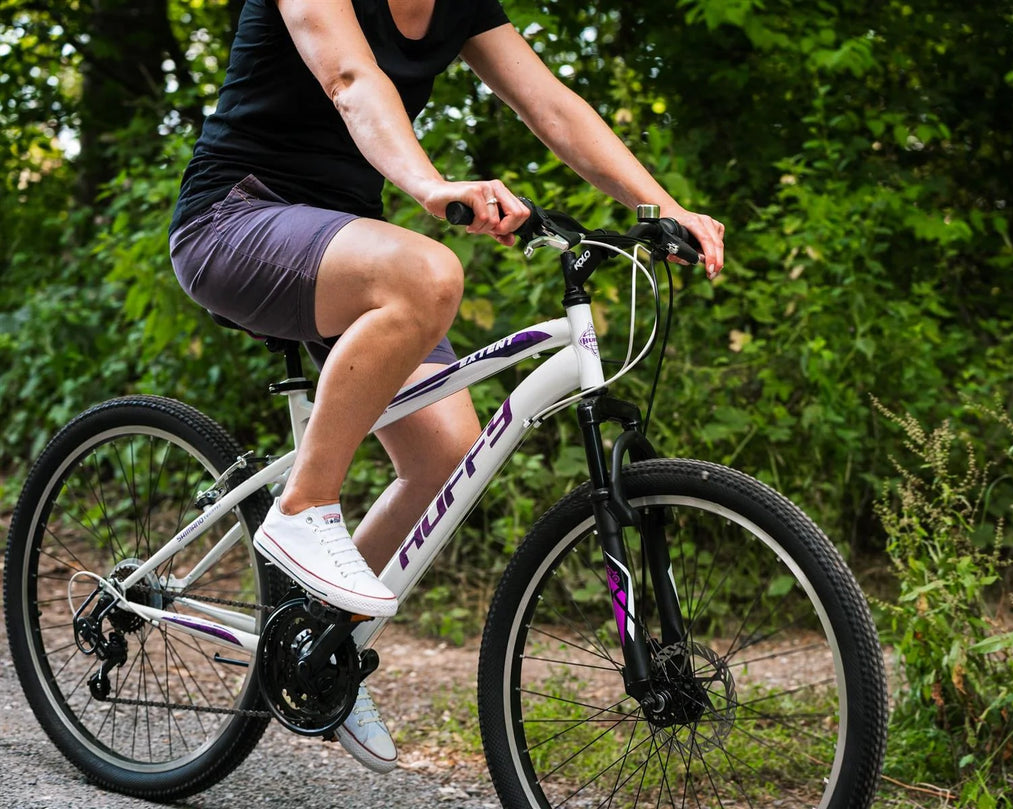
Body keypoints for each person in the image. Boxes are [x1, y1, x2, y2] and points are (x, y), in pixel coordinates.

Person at [169, 0, 725, 774]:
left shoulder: (460, 5)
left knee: (445, 458)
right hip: (236, 219)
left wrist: (660, 207)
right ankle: (302, 506)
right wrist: (430, 186)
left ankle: (313, 638)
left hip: (342, 243)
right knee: (429, 272)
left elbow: (551, 104)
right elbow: (350, 76)